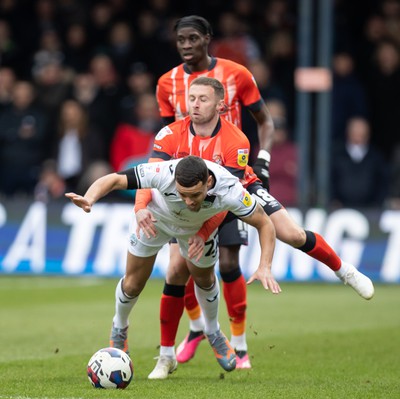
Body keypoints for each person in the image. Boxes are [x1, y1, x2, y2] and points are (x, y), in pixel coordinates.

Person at [136, 77, 375, 379]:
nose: (194, 105)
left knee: (291, 234)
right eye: (191, 99)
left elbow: (227, 201)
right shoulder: (172, 133)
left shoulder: (236, 140)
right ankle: (183, 340)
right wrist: (141, 207)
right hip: (190, 203)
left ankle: (344, 271)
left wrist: (203, 232)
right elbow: (144, 174)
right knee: (175, 270)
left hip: (237, 194)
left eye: (202, 99)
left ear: (221, 105)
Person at [65, 155, 279, 375]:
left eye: (194, 195)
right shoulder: (163, 172)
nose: (188, 202)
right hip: (154, 222)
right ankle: (119, 328)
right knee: (132, 284)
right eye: (182, 195)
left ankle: (213, 331)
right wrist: (90, 199)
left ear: (208, 182)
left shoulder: (230, 189)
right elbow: (113, 179)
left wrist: (265, 265)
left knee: (204, 279)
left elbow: (265, 223)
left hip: (196, 231)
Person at [147, 15, 274, 370]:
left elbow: (265, 121)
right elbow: (168, 134)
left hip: (228, 177)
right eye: (180, 41)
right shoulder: (166, 82)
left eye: (192, 39)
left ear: (207, 39)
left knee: (230, 262)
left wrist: (261, 161)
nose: (186, 46)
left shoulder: (237, 74)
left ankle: (239, 343)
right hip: (187, 186)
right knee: (180, 265)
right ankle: (195, 328)